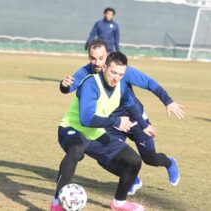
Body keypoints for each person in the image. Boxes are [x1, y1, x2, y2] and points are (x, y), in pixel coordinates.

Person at [60, 39, 185, 195]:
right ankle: (130, 178)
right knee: (106, 157)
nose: (97, 62)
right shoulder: (86, 71)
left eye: (101, 57)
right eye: (93, 58)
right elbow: (70, 85)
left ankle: (169, 163)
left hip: (135, 118)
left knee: (150, 159)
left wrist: (168, 102)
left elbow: (149, 83)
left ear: (108, 56)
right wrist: (64, 85)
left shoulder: (121, 70)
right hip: (111, 122)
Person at [51, 52, 155, 211]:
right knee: (76, 149)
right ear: (104, 67)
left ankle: (119, 202)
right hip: (71, 129)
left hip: (95, 133)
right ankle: (57, 203)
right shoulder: (90, 84)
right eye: (113, 72)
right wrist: (116, 121)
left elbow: (132, 106)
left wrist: (144, 125)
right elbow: (86, 119)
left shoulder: (121, 87)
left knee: (134, 161)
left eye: (121, 74)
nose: (116, 77)